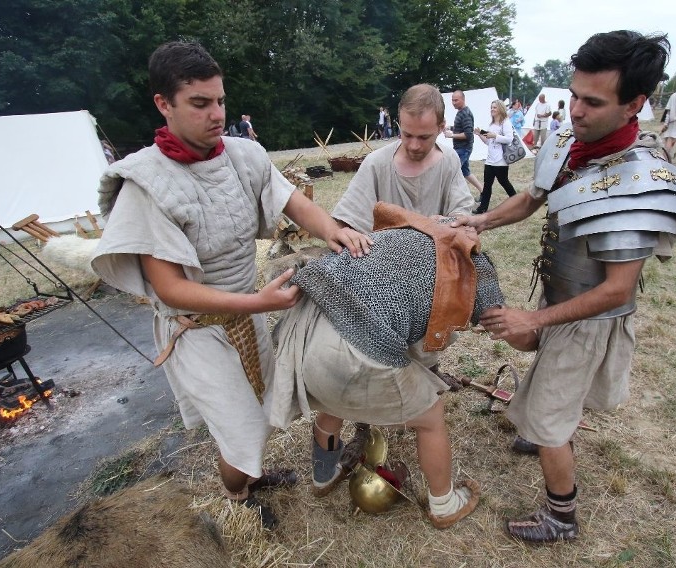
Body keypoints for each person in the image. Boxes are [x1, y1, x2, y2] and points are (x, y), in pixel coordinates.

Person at [89, 41, 371, 530]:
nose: (216, 114)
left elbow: (291, 201)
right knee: (242, 430)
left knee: (262, 413)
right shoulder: (147, 183)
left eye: (219, 100)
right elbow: (172, 288)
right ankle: (237, 497)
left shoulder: (243, 156)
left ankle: (249, 476)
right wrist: (259, 301)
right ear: (163, 104)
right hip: (198, 330)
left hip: (248, 311)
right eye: (200, 104)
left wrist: (334, 229)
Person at [452, 30, 676, 543]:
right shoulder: (569, 143)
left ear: (635, 104)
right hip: (561, 298)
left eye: (593, 101)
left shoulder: (639, 181)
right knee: (548, 383)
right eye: (572, 96)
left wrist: (534, 319)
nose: (576, 112)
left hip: (589, 317)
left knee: (549, 415)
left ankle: (560, 515)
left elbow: (616, 291)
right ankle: (545, 426)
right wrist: (479, 223)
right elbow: (532, 197)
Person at [271, 203, 501, 528]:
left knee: (331, 403)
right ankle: (445, 505)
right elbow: (502, 324)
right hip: (353, 347)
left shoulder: (399, 232)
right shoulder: (477, 264)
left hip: (307, 328)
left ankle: (323, 477)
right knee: (431, 417)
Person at [332, 83, 475, 234]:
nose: (414, 146)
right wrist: (345, 232)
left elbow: (462, 211)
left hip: (436, 253)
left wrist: (450, 222)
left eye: (423, 137)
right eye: (407, 135)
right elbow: (344, 222)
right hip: (383, 254)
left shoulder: (449, 160)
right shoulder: (376, 163)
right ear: (400, 123)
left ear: (441, 127)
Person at [473, 100, 518, 214]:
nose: (492, 109)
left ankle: (517, 201)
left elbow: (509, 139)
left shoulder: (505, 123)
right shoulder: (491, 124)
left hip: (501, 160)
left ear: (500, 109)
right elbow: (489, 142)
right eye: (491, 107)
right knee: (487, 185)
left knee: (504, 182)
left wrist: (495, 135)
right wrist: (480, 134)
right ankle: (482, 208)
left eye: (495, 107)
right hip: (490, 160)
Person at [444, 89, 484, 196]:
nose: (453, 103)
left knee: (453, 172)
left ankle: (456, 196)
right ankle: (484, 191)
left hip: (464, 149)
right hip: (460, 148)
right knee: (465, 172)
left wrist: (451, 135)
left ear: (463, 99)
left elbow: (468, 134)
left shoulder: (466, 114)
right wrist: (450, 127)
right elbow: (460, 128)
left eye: (456, 100)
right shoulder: (461, 112)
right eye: (452, 100)